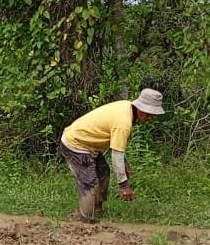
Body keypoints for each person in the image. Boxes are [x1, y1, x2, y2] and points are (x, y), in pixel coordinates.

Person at [59, 88, 165, 222]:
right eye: (149, 114)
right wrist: (124, 186)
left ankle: (97, 209)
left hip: (90, 144)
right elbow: (117, 155)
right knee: (89, 182)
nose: (150, 118)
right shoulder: (124, 122)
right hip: (76, 143)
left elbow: (116, 144)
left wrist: (124, 162)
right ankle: (85, 220)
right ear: (140, 108)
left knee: (103, 172)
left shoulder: (127, 108)